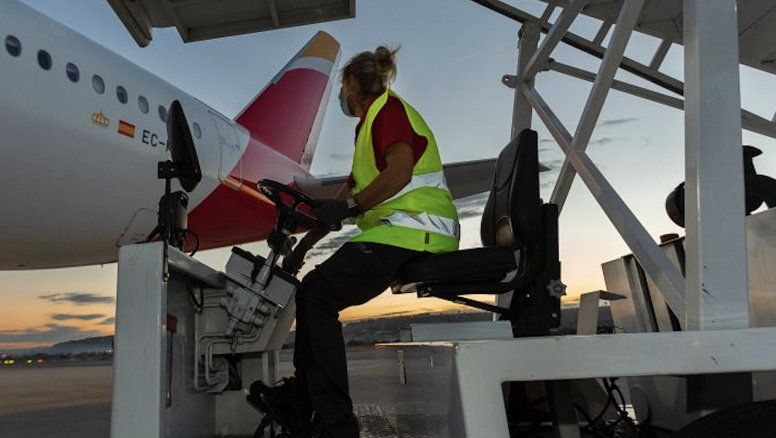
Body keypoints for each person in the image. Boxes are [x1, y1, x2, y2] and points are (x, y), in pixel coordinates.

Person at [257, 45, 460, 438]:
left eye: (342, 86)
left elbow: (398, 174)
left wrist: (350, 207)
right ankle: (306, 397)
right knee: (313, 291)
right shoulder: (367, 129)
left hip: (420, 229)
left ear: (352, 84)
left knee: (318, 294)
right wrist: (303, 245)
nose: (341, 96)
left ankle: (333, 422)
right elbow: (338, 204)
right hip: (399, 232)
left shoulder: (389, 111)